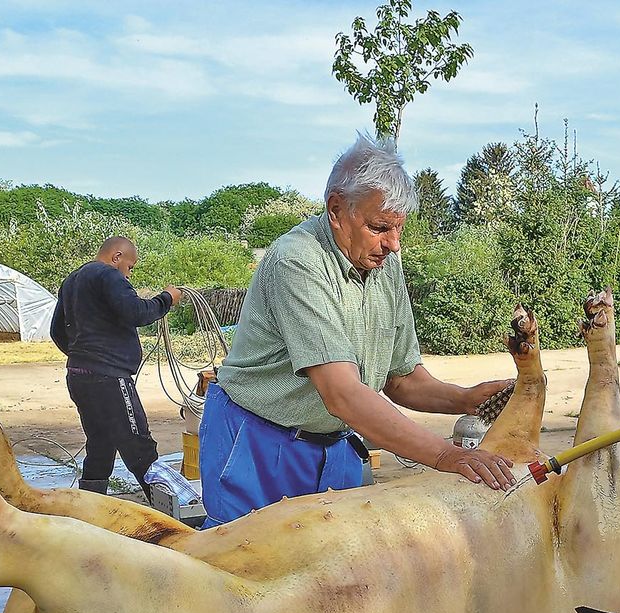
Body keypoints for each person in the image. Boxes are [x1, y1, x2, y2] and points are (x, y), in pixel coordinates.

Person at [200, 134, 515, 527]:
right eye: (380, 227)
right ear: (336, 209)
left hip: (335, 448)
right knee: (246, 573)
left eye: (399, 229)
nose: (394, 245)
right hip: (258, 445)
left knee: (335, 578)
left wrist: (465, 400)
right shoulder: (298, 261)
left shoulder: (385, 264)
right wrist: (447, 456)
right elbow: (343, 394)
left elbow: (401, 379)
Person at [50, 236, 182, 497]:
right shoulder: (108, 275)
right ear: (116, 257)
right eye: (130, 267)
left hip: (79, 375)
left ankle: (91, 504)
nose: (129, 275)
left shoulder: (72, 281)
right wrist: (167, 298)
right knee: (139, 445)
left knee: (101, 444)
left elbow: (57, 331)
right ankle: (168, 512)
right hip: (108, 378)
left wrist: (83, 356)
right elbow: (136, 312)